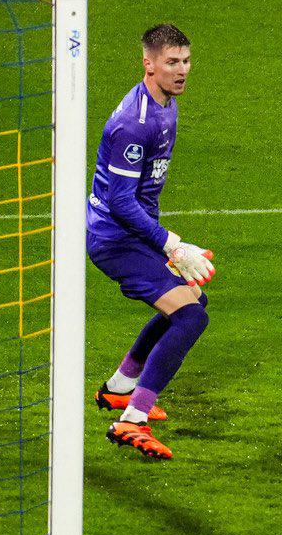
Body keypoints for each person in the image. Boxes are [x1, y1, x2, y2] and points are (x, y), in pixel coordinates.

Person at [90, 25, 217, 462]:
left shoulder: (167, 104)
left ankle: (120, 389)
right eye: (171, 62)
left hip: (137, 231)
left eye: (185, 61)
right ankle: (132, 421)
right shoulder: (132, 124)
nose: (181, 71)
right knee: (189, 317)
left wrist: (168, 245)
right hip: (114, 237)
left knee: (194, 300)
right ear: (148, 63)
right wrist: (172, 246)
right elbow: (119, 201)